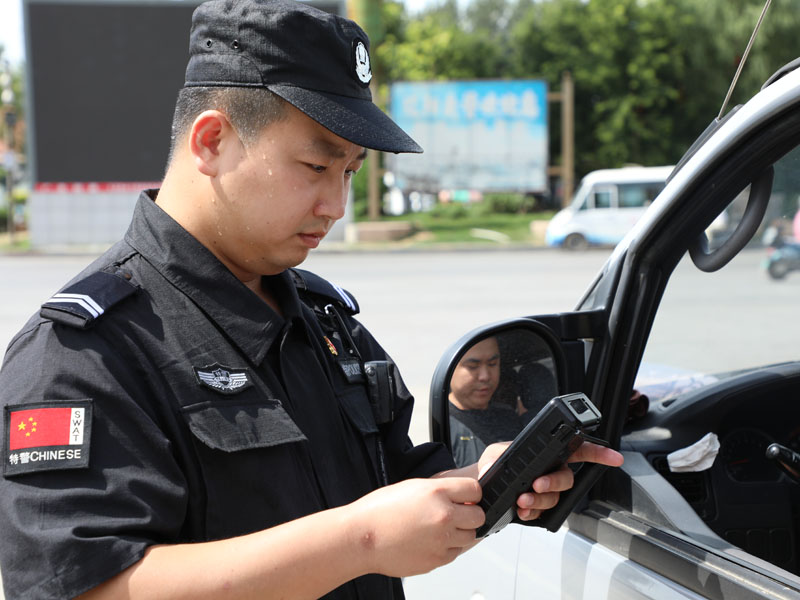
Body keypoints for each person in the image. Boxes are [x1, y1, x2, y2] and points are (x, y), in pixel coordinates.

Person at [0, 1, 624, 598]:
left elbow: (382, 483)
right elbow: (87, 587)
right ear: (211, 142)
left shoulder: (324, 321)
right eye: (314, 166)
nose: (337, 206)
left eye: (350, 172)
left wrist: (477, 481)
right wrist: (361, 541)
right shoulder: (83, 354)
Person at [448, 336, 524, 466]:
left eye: (492, 364)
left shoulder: (509, 417)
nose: (485, 376)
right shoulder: (442, 421)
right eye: (472, 366)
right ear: (449, 369)